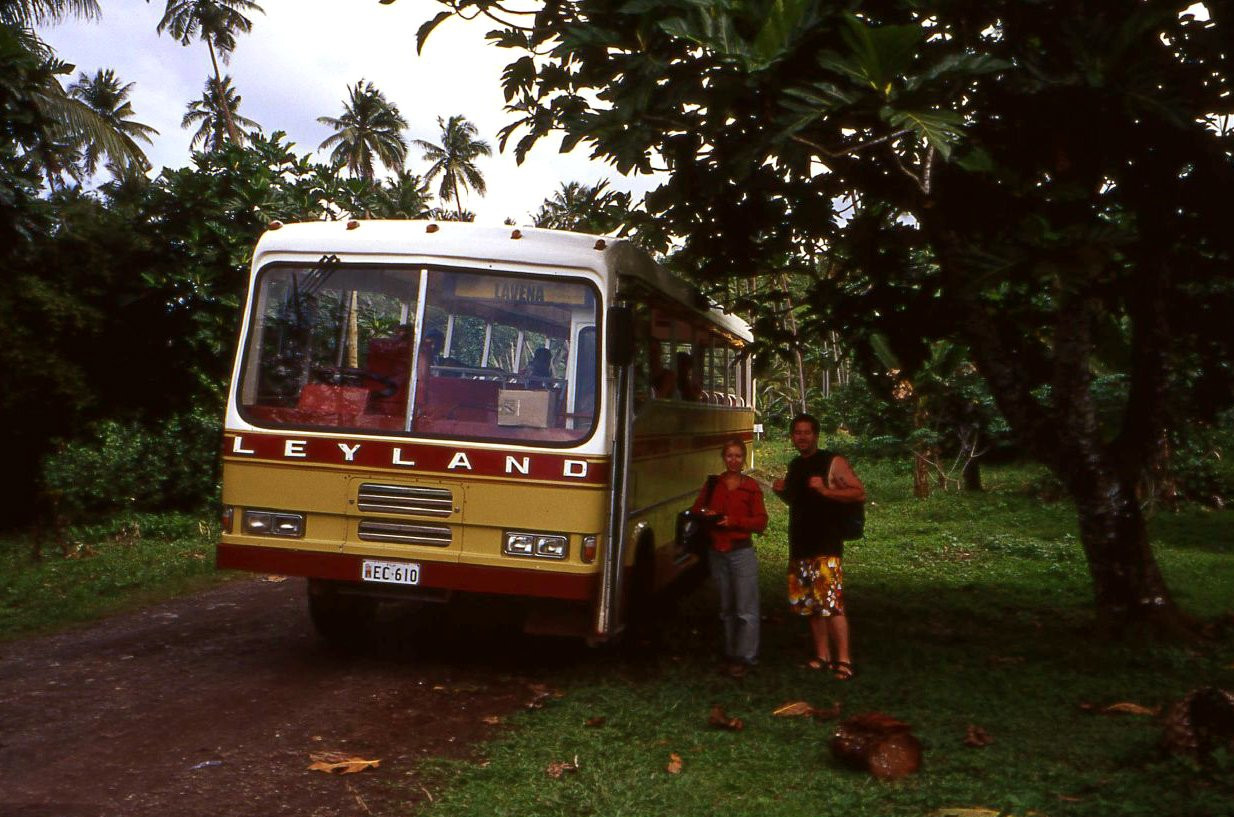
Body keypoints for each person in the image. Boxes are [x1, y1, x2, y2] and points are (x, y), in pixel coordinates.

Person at [772, 413, 866, 681]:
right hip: (800, 544)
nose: (802, 437)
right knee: (811, 605)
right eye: (797, 433)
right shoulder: (795, 465)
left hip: (827, 543)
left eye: (807, 432)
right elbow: (797, 501)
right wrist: (780, 490)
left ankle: (844, 661)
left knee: (832, 604)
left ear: (816, 435)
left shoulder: (832, 461)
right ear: (792, 437)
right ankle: (821, 656)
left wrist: (826, 491)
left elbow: (859, 492)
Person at [691, 437, 768, 679]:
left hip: (741, 550)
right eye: (729, 456)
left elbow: (760, 521)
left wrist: (734, 521)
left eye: (738, 456)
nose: (733, 460)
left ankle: (746, 657)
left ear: (744, 459)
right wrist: (709, 514)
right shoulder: (714, 484)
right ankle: (731, 652)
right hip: (718, 551)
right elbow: (696, 510)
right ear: (723, 458)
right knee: (727, 607)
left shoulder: (750, 487)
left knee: (746, 607)